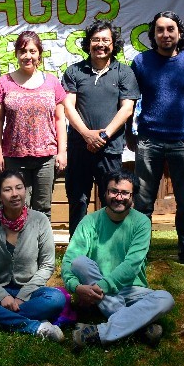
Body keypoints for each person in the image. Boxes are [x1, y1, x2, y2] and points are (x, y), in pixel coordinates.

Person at [128, 11, 184, 270]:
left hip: (183, 141)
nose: (165, 34)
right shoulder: (141, 62)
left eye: (170, 29)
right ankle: (139, 252)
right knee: (143, 202)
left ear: (179, 33)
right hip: (149, 140)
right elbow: (129, 100)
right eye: (160, 30)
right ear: (153, 35)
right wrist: (130, 133)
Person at [62, 172, 175, 350]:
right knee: (79, 263)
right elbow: (69, 260)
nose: (119, 197)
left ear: (132, 196)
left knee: (165, 298)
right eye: (114, 192)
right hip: (95, 286)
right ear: (105, 193)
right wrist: (76, 287)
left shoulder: (142, 223)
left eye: (124, 193)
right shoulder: (89, 221)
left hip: (129, 290)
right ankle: (141, 327)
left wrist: (103, 287)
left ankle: (97, 332)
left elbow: (132, 265)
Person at [0, 171, 66, 340]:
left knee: (56, 298)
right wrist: (2, 297)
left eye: (19, 188)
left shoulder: (40, 220)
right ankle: (36, 327)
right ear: (0, 195)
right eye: (8, 190)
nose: (15, 194)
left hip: (31, 291)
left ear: (26, 191)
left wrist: (22, 297)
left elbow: (47, 265)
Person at [62, 21, 139, 235]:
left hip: (110, 149)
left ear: (113, 44)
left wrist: (103, 135)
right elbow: (68, 106)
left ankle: (112, 244)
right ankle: (77, 248)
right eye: (96, 40)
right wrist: (87, 135)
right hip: (79, 148)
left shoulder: (124, 72)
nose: (100, 44)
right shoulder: (74, 71)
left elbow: (127, 108)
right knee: (78, 199)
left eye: (106, 40)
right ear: (88, 43)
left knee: (114, 198)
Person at [0, 31, 67, 219]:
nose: (28, 56)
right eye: (23, 51)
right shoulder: (4, 82)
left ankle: (41, 248)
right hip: (14, 156)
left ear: (39, 54)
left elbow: (60, 119)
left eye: (32, 51)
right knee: (17, 207)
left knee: (43, 209)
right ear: (16, 54)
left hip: (46, 157)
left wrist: (62, 151)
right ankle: (18, 248)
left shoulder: (52, 82)